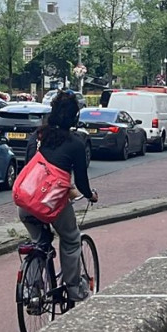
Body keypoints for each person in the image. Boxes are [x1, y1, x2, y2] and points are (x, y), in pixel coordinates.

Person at [19, 90, 98, 308]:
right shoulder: (76, 143)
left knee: (39, 242)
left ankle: (32, 290)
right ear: (74, 118)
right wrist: (90, 195)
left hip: (26, 202)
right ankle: (74, 289)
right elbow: (82, 182)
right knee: (71, 238)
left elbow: (33, 169)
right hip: (51, 203)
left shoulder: (37, 137)